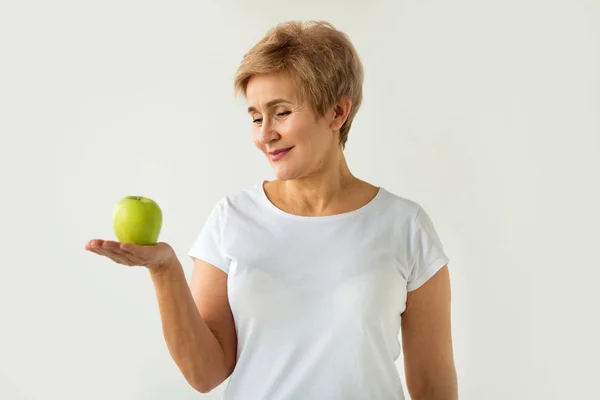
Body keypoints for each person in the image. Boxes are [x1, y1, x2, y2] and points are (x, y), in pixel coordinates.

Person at [85, 20, 458, 400]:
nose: (265, 135)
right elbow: (204, 373)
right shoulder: (232, 218)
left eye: (281, 112)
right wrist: (164, 271)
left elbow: (433, 387)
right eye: (255, 117)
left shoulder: (405, 227)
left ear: (337, 113)